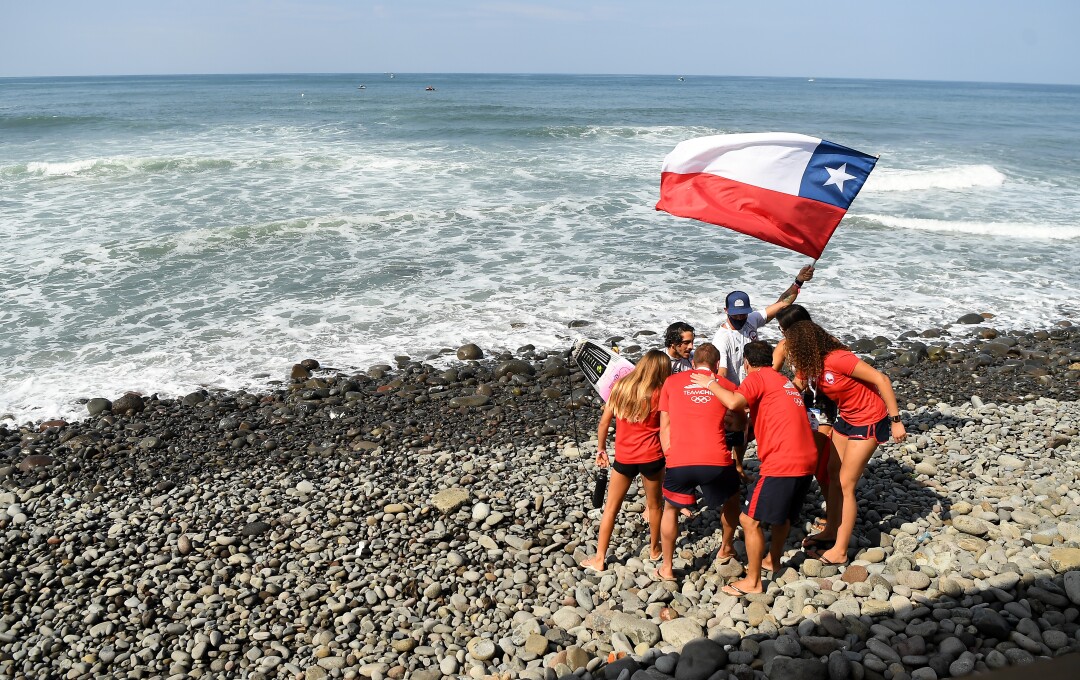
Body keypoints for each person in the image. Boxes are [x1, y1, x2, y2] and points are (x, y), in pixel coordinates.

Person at [692, 341, 819, 595]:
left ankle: (753, 582)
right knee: (782, 516)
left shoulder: (757, 376)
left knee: (748, 520)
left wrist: (710, 384)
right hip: (807, 458)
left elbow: (734, 402)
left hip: (782, 461)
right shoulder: (781, 380)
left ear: (747, 363)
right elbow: (767, 415)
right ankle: (772, 560)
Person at [782, 320, 907, 566]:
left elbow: (881, 379)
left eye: (792, 347)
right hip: (847, 418)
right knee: (831, 472)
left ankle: (840, 550)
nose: (789, 352)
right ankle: (831, 529)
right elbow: (795, 388)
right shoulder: (810, 365)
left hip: (870, 419)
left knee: (845, 483)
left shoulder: (838, 359)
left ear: (805, 345)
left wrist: (896, 421)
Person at [654, 343, 741, 581]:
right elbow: (737, 423)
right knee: (732, 499)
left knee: (670, 509)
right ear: (716, 365)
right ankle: (725, 547)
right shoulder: (726, 385)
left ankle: (668, 567)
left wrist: (670, 457)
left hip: (679, 459)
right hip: (716, 460)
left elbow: (665, 427)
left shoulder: (671, 383)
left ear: (693, 363)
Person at [581, 350, 671, 572]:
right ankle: (654, 549)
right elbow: (667, 427)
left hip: (624, 458)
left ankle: (600, 558)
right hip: (652, 457)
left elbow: (604, 424)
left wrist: (601, 449)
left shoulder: (619, 388)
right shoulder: (660, 393)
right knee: (654, 505)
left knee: (611, 508)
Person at [772, 304, 839, 546]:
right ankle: (792, 513)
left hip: (823, 408)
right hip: (799, 409)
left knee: (822, 468)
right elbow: (770, 374)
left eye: (784, 329)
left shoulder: (826, 342)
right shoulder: (784, 346)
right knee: (806, 464)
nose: (782, 334)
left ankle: (833, 519)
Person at [714, 264, 815, 386]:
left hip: (755, 386)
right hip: (735, 390)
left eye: (743, 314)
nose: (740, 317)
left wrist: (798, 281)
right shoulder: (722, 339)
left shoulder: (751, 319)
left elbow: (783, 304)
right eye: (735, 314)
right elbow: (722, 373)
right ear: (726, 310)